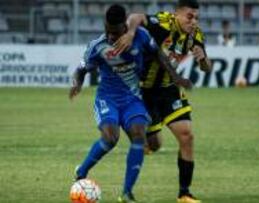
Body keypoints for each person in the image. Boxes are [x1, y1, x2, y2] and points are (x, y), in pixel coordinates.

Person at [69, 4, 191, 203]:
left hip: (132, 99)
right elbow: (81, 69)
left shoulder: (141, 37)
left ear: (124, 27)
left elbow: (159, 55)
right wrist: (77, 84)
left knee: (138, 135)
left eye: (115, 33)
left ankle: (126, 193)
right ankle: (81, 171)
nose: (110, 37)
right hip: (107, 98)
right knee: (110, 138)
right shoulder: (98, 45)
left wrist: (175, 76)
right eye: (108, 31)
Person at [114, 0, 212, 202]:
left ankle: (184, 193)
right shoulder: (163, 22)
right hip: (144, 92)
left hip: (169, 90)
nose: (194, 22)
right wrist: (131, 32)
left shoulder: (195, 35)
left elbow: (207, 68)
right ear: (177, 14)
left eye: (196, 18)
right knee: (155, 144)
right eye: (189, 16)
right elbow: (136, 16)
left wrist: (203, 59)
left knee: (187, 136)